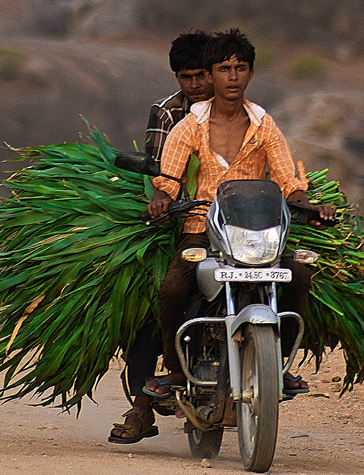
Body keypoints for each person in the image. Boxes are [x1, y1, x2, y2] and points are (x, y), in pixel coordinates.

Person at [142, 28, 335, 400]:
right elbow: (168, 178)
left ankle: (279, 365)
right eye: (224, 68)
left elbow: (286, 178)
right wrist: (161, 199)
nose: (232, 77)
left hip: (256, 232)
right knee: (173, 288)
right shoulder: (188, 127)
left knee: (297, 276)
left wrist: (308, 206)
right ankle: (175, 369)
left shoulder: (265, 125)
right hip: (202, 230)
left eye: (240, 68)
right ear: (211, 74)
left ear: (250, 73)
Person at [108, 30, 215, 445]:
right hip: (179, 220)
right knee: (153, 301)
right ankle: (141, 406)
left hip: (233, 223)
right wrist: (164, 200)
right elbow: (160, 170)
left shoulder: (242, 111)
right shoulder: (169, 112)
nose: (195, 85)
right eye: (186, 77)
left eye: (201, 74)